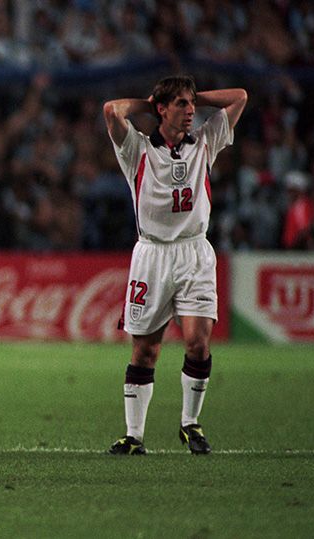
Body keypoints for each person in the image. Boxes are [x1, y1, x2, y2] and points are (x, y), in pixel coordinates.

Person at [102, 75, 247, 455]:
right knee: (145, 351)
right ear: (162, 109)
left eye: (192, 103)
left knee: (198, 343)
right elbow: (111, 110)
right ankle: (134, 436)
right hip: (152, 256)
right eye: (181, 104)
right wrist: (149, 104)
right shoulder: (137, 149)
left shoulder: (204, 142)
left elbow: (239, 97)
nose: (191, 110)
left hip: (194, 253)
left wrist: (196, 96)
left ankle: (190, 423)